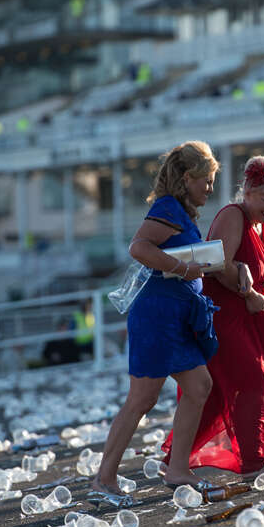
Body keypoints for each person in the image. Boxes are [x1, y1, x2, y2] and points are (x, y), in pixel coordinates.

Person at [90, 140, 219, 507]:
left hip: (175, 316)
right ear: (187, 178)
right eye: (206, 181)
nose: (209, 189)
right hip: (158, 316)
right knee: (142, 399)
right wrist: (182, 268)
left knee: (199, 386)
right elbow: (139, 248)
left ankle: (178, 469)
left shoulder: (179, 210)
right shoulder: (167, 208)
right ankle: (104, 478)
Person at [162, 155, 264, 479]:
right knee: (254, 382)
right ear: (246, 191)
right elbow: (217, 265)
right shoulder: (234, 216)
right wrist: (249, 293)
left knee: (216, 396)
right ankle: (253, 460)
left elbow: (260, 271)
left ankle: (175, 459)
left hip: (251, 320)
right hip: (225, 316)